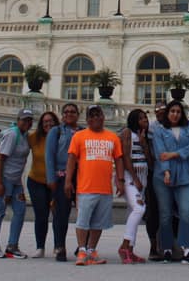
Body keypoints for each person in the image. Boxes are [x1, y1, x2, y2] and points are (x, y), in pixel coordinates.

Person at [66, 104, 125, 265]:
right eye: (91, 115)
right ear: (87, 120)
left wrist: (120, 181)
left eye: (98, 114)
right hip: (86, 187)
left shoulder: (112, 137)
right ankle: (82, 251)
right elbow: (71, 159)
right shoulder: (79, 136)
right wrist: (67, 181)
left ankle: (91, 251)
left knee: (99, 222)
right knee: (83, 221)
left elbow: (119, 159)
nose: (95, 118)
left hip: (105, 188)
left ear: (103, 117)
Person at [151, 100, 189, 265]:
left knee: (186, 212)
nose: (175, 114)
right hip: (163, 176)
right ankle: (167, 250)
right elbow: (160, 152)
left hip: (184, 176)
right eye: (172, 111)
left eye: (178, 112)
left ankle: (187, 250)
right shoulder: (159, 130)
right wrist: (166, 171)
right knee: (165, 214)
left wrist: (174, 155)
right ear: (167, 113)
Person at [0, 109, 34, 258]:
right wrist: (0, 184)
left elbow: (20, 161)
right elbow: (0, 159)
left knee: (20, 211)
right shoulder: (12, 134)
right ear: (18, 120)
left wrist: (18, 181)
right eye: (24, 120)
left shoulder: (25, 136)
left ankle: (12, 246)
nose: (27, 123)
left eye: (30, 120)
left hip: (15, 180)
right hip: (2, 177)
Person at [46, 102, 82, 261]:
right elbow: (49, 155)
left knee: (85, 213)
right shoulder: (56, 131)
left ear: (78, 115)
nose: (69, 114)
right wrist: (51, 178)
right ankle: (59, 246)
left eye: (72, 112)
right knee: (61, 214)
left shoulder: (83, 131)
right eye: (66, 111)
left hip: (81, 177)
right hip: (61, 176)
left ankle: (82, 245)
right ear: (62, 115)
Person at [118, 109, 151, 264]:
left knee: (133, 212)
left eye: (145, 117)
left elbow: (151, 162)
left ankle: (131, 250)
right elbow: (125, 156)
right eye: (141, 118)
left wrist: (144, 144)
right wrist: (135, 178)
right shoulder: (127, 133)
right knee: (139, 208)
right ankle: (124, 245)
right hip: (131, 177)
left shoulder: (144, 136)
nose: (144, 120)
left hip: (143, 176)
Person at [27, 111, 59, 258]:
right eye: (45, 121)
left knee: (58, 215)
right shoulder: (34, 137)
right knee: (41, 215)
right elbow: (19, 147)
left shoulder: (61, 137)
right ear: (41, 124)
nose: (48, 124)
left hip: (55, 182)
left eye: (51, 121)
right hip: (36, 181)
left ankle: (59, 246)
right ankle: (40, 247)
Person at [145, 101, 168, 261]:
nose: (160, 112)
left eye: (162, 110)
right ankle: (154, 246)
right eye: (157, 110)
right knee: (153, 211)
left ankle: (168, 245)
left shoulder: (177, 126)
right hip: (154, 172)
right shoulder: (150, 128)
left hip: (173, 172)